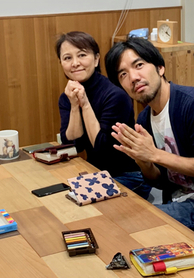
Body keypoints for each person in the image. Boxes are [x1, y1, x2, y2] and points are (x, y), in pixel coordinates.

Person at [105, 37, 194, 239]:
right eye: (123, 74)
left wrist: (154, 154)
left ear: (160, 67)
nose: (133, 77)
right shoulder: (144, 119)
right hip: (177, 202)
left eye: (139, 65)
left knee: (135, 225)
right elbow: (161, 182)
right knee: (115, 213)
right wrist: (143, 161)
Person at [56, 32, 149, 198]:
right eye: (67, 58)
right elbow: (72, 147)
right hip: (96, 173)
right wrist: (75, 106)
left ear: (96, 59)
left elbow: (103, 150)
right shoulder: (67, 97)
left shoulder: (115, 95)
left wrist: (85, 104)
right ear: (61, 63)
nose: (75, 63)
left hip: (128, 175)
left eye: (82, 55)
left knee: (74, 202)